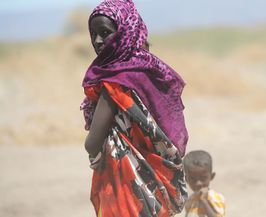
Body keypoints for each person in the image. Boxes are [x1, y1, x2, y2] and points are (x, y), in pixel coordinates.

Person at [80, 0, 189, 216]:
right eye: (93, 34)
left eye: (105, 32)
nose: (98, 41)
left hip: (127, 188)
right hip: (157, 183)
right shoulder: (152, 71)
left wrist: (97, 152)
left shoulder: (115, 83)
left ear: (124, 33)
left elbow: (92, 143)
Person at [183, 150, 225, 217]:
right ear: (186, 179)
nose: (198, 183)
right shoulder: (190, 200)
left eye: (203, 178)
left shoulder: (215, 198)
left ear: (211, 176)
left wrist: (204, 202)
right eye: (193, 179)